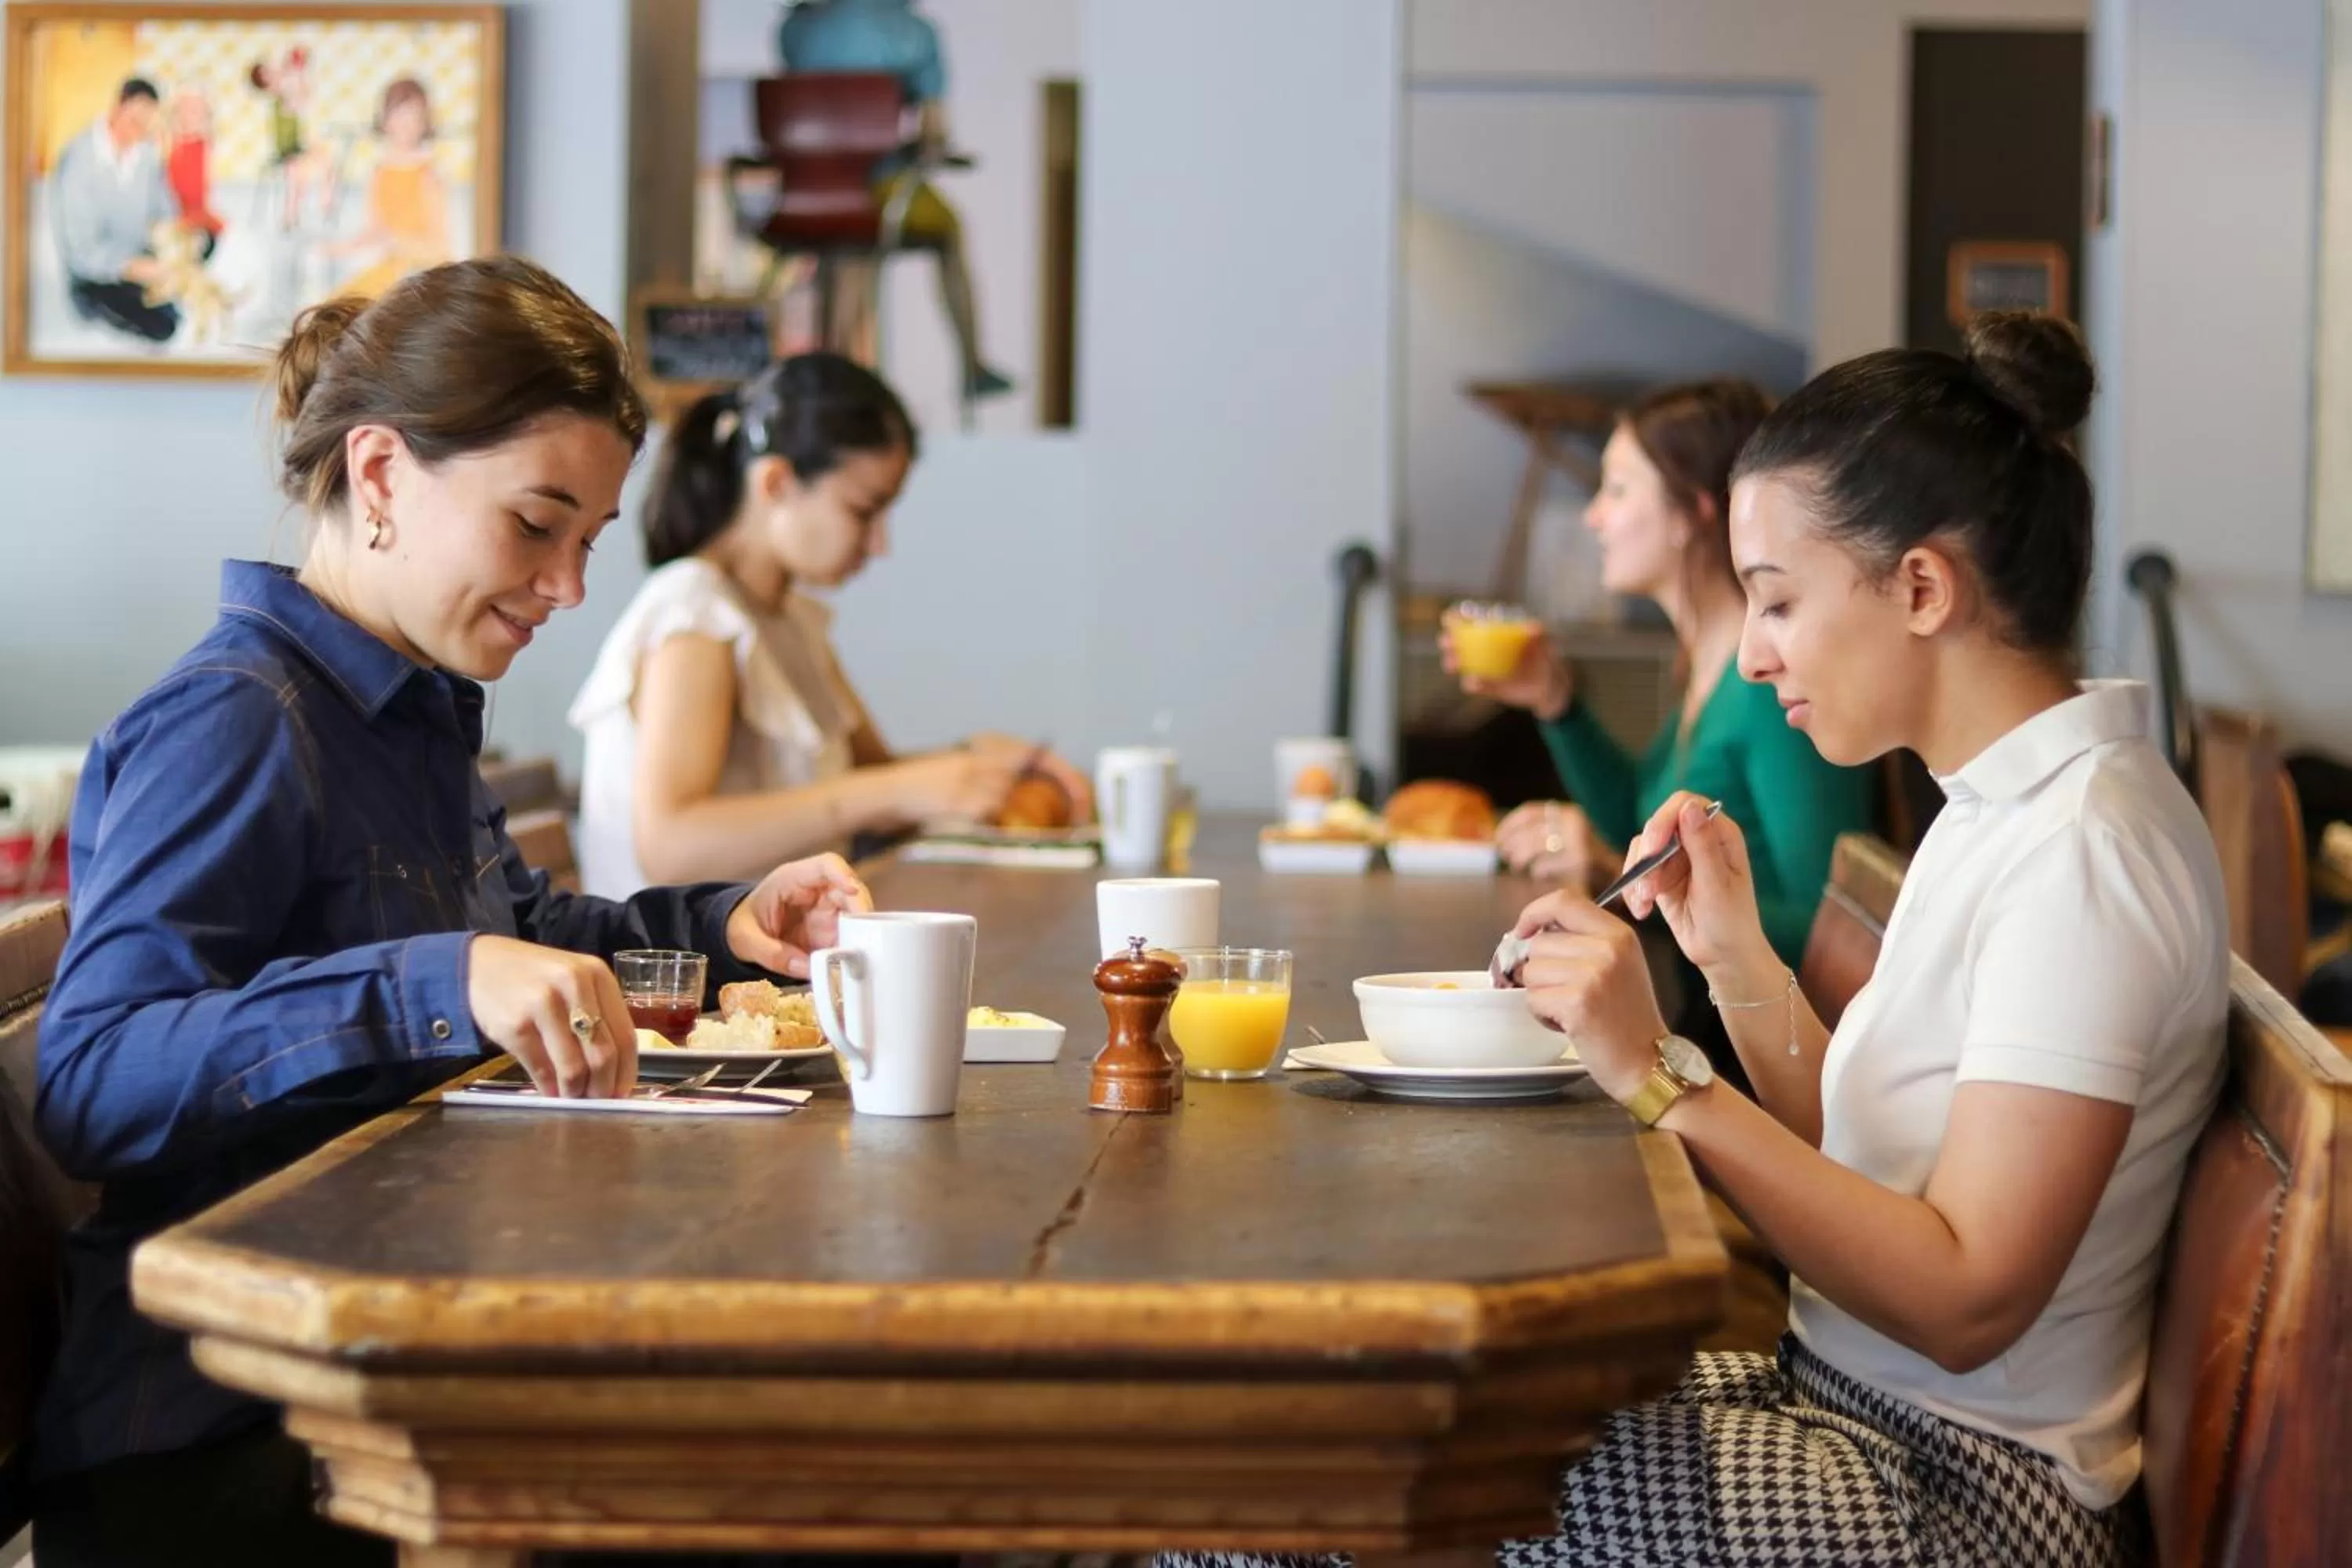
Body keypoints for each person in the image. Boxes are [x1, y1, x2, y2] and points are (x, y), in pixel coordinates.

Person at [1173, 313, 2227, 1568]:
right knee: (1302, 1412)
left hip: (1957, 1498)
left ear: (1923, 588)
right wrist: (1735, 960)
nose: (1757, 654)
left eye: (1776, 601)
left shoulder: (2084, 855)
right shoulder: (2007, 804)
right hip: (1852, 1412)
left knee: (1276, 1485)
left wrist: (1661, 1075)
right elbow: (1875, 1157)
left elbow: (1966, 1300)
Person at [29, 256, 873, 1568]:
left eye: (588, 540)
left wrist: (723, 930)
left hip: (396, 1360)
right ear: (378, 475)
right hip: (226, 1437)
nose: (570, 586)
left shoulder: (407, 706)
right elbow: (90, 1079)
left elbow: (522, 934)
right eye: (537, 524)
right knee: (806, 1482)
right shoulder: (239, 717)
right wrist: (435, 981)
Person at [1450, 378, 1874, 1089]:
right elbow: (1635, 815)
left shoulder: (1769, 693)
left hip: (1757, 1068)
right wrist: (1556, 701)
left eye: (1617, 490)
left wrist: (1614, 874)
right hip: (1708, 1031)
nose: (1593, 515)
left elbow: (1827, 930)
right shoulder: (1706, 665)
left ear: (1693, 512)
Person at [570, 352, 1090, 898]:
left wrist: (973, 759)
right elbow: (670, 846)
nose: (879, 544)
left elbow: (873, 773)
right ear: (776, 483)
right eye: (864, 511)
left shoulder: (790, 618)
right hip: (684, 950)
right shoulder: (694, 616)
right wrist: (904, 787)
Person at [776, 0, 1013, 401]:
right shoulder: (914, 32)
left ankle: (832, 378)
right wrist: (927, 147)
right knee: (947, 232)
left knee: (846, 248)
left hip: (808, 190)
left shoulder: (796, 29)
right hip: (878, 189)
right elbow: (934, 130)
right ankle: (972, 366)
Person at [48, 78, 183, 343]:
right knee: (162, 328)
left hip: (140, 264)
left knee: (176, 316)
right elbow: (82, 250)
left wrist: (171, 242)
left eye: (147, 122)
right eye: (135, 119)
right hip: (95, 277)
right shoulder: (78, 160)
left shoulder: (147, 154)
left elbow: (164, 206)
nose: (141, 129)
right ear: (117, 107)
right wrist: (134, 267)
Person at [334, 77, 452, 298]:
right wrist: (339, 249)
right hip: (388, 270)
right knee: (340, 302)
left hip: (424, 276)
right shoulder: (379, 172)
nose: (405, 125)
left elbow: (439, 247)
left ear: (424, 123)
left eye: (414, 116)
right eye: (399, 115)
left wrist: (394, 242)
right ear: (385, 120)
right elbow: (373, 229)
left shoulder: (429, 173)